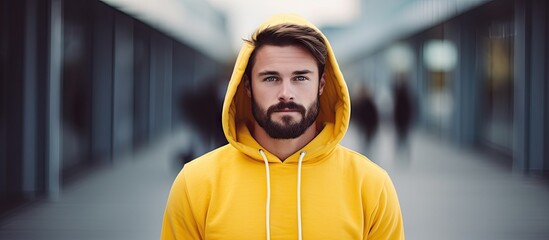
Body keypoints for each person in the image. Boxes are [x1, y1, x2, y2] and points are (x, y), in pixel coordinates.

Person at [161, 13, 404, 239]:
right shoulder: (195, 184)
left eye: (300, 78)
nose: (286, 94)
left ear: (321, 85)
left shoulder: (371, 187)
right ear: (247, 87)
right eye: (271, 78)